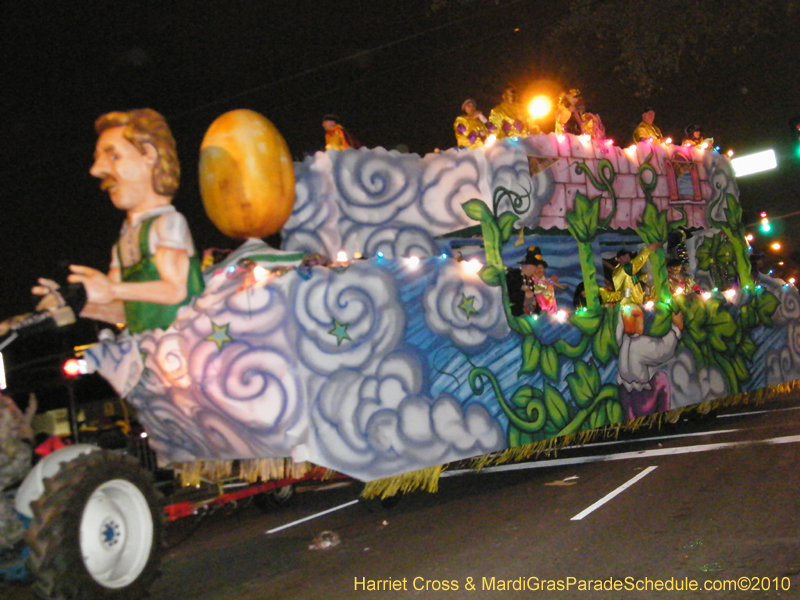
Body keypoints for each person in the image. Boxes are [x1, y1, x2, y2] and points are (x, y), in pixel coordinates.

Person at [34, 109, 205, 334]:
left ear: (148, 154)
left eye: (113, 156)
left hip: (191, 346)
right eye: (97, 159)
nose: (96, 170)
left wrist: (113, 289)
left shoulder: (169, 222)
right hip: (153, 355)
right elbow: (124, 311)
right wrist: (72, 304)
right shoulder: (123, 240)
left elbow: (175, 291)